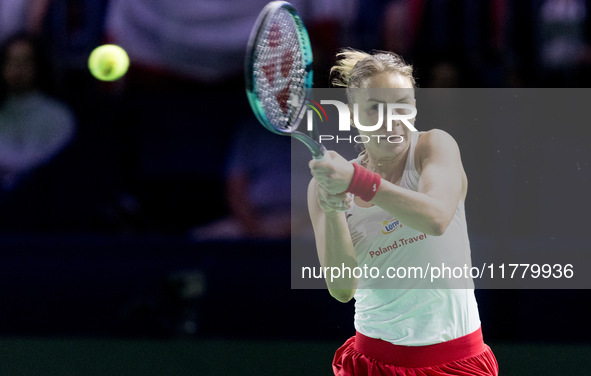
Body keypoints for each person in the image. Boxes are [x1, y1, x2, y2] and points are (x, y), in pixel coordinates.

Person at [307, 49, 498, 375]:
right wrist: (334, 206)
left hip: (457, 362)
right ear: (353, 116)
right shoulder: (324, 187)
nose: (392, 120)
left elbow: (436, 218)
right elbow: (341, 288)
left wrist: (358, 181)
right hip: (371, 363)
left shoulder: (434, 147)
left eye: (401, 106)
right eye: (375, 109)